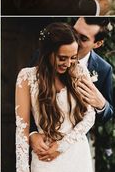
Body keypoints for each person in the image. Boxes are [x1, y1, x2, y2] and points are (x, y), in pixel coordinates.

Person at [16, 22, 95, 172]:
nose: (68, 63)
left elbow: (90, 115)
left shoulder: (80, 72)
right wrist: (22, 171)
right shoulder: (27, 77)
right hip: (45, 157)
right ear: (48, 53)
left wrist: (62, 146)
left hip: (76, 155)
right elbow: (21, 130)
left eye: (73, 57)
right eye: (62, 58)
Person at [30, 18, 113, 159]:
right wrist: (32, 133)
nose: (74, 39)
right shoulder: (42, 56)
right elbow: (27, 99)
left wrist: (101, 105)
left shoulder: (104, 69)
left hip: (76, 148)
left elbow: (109, 113)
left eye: (83, 38)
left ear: (98, 44)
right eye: (74, 32)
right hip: (43, 145)